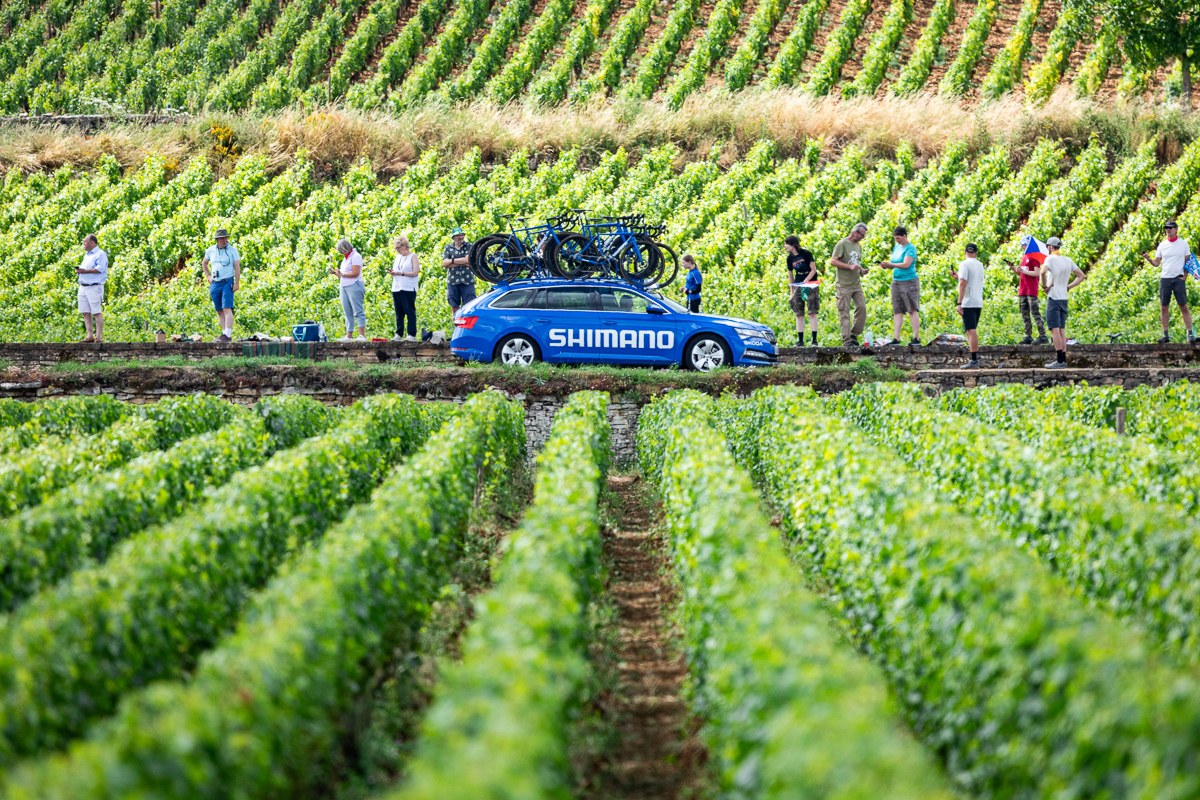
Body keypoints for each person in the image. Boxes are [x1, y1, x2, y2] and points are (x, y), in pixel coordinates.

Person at [1142, 219, 1194, 343]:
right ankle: (1165, 334)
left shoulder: (1183, 244)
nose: (1168, 230)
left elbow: (1188, 260)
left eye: (1170, 228)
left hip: (1178, 278)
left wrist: (1185, 276)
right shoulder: (1162, 245)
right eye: (1166, 228)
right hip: (1165, 279)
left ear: (1176, 230)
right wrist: (1149, 259)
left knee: (1183, 306)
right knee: (1164, 306)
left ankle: (1190, 333)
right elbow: (1156, 263)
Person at [1041, 236, 1086, 369]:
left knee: (1054, 329)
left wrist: (1044, 287)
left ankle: (1059, 360)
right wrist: (1068, 287)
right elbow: (1082, 276)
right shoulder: (1068, 260)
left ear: (1050, 247)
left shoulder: (1049, 259)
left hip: (1053, 297)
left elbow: (1042, 272)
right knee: (1061, 329)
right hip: (1064, 297)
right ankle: (1063, 360)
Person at [830, 223, 870, 347]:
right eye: (862, 235)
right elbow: (833, 261)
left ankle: (854, 335)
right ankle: (846, 340)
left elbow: (855, 262)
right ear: (855, 232)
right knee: (844, 312)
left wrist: (861, 270)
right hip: (843, 284)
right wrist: (849, 267)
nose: (863, 237)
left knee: (862, 308)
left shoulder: (858, 246)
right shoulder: (842, 244)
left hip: (856, 284)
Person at [880, 226, 920, 345]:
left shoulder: (911, 248)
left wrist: (891, 264)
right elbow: (895, 263)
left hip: (908, 281)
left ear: (904, 236)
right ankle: (896, 338)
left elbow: (906, 264)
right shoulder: (896, 248)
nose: (896, 240)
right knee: (897, 310)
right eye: (895, 238)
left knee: (911, 309)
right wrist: (887, 265)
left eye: (898, 238)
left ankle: (916, 338)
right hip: (896, 281)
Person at [201, 229, 240, 342]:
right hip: (215, 283)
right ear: (217, 239)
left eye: (226, 238)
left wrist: (237, 282)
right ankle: (224, 334)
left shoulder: (233, 251)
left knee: (227, 308)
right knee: (219, 310)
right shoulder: (211, 250)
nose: (225, 240)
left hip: (227, 281)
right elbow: (204, 263)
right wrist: (208, 275)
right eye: (223, 238)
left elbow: (237, 267)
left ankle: (228, 334)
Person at [784, 235, 819, 346]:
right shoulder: (789, 258)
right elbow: (790, 275)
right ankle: (800, 341)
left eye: (786, 244)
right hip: (798, 285)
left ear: (793, 244)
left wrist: (806, 280)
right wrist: (791, 292)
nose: (785, 246)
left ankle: (814, 340)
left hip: (810, 284)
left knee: (812, 312)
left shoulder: (806, 254)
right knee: (799, 314)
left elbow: (813, 270)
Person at [330, 239, 366, 341]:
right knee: (347, 311)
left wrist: (343, 274)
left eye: (342, 250)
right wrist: (337, 274)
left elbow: (355, 273)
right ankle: (349, 335)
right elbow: (343, 275)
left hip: (354, 285)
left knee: (357, 310)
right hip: (344, 286)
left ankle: (362, 335)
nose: (341, 253)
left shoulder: (356, 256)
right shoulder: (346, 258)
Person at [1008, 254, 1048, 345]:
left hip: (1031, 289)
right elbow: (1022, 273)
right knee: (1024, 314)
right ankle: (1028, 336)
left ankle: (1042, 335)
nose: (1023, 246)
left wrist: (1023, 271)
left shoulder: (1034, 257)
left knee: (1035, 313)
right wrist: (1014, 268)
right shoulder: (1024, 257)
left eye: (1024, 244)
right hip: (1023, 289)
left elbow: (1037, 273)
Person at [956, 243, 985, 369]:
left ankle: (974, 360)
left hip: (968, 302)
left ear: (964, 251)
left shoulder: (964, 264)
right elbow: (971, 280)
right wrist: (956, 277)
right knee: (969, 330)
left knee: (971, 330)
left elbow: (963, 283)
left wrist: (959, 303)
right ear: (976, 253)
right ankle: (973, 359)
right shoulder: (980, 265)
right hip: (978, 301)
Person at [75, 233, 107, 343]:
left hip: (94, 286)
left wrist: (84, 271)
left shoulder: (100, 254)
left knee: (96, 311)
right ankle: (90, 335)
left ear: (92, 243)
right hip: (83, 286)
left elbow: (100, 269)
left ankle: (98, 337)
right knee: (85, 311)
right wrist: (80, 271)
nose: (83, 244)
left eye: (85, 242)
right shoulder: (87, 255)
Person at [388, 235, 420, 342]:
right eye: (396, 248)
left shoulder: (413, 256)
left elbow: (415, 272)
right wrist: (393, 272)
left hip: (408, 287)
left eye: (399, 248)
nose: (397, 250)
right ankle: (399, 332)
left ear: (405, 246)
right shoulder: (398, 257)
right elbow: (397, 270)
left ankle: (411, 333)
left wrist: (400, 273)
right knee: (399, 311)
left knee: (409, 310)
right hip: (397, 287)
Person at [443, 226, 475, 317]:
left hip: (467, 280)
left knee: (469, 306)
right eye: (458, 235)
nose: (461, 237)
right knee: (454, 306)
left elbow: (468, 261)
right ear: (453, 237)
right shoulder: (448, 248)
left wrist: (451, 261)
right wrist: (462, 261)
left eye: (462, 235)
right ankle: (456, 328)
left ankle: (468, 328)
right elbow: (445, 264)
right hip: (453, 281)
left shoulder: (469, 245)